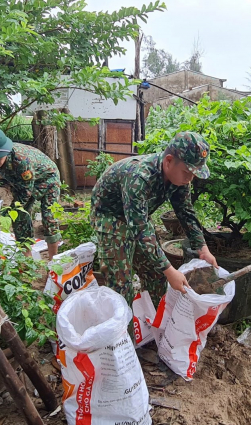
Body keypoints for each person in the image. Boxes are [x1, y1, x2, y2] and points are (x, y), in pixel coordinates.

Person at [90, 131, 218, 307]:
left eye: (194, 173)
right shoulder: (140, 177)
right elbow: (141, 230)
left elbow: (186, 212)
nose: (190, 178)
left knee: (156, 273)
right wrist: (170, 270)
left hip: (137, 216)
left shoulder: (180, 179)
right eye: (187, 171)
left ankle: (154, 324)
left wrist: (202, 248)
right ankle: (123, 332)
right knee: (121, 284)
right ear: (168, 161)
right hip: (111, 216)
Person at [0, 127, 61, 258]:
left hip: (47, 179)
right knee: (19, 218)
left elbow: (25, 193)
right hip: (21, 183)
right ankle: (26, 259)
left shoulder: (21, 160)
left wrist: (6, 214)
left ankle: (53, 261)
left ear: (5, 152)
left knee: (49, 217)